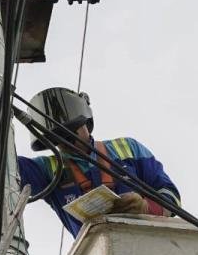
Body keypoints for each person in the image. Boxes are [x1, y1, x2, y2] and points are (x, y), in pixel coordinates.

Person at [17, 87, 180, 237]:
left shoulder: (128, 148)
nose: (65, 142)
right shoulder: (47, 169)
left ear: (86, 123)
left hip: (144, 241)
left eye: (70, 133)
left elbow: (171, 196)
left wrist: (146, 207)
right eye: (57, 138)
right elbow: (5, 166)